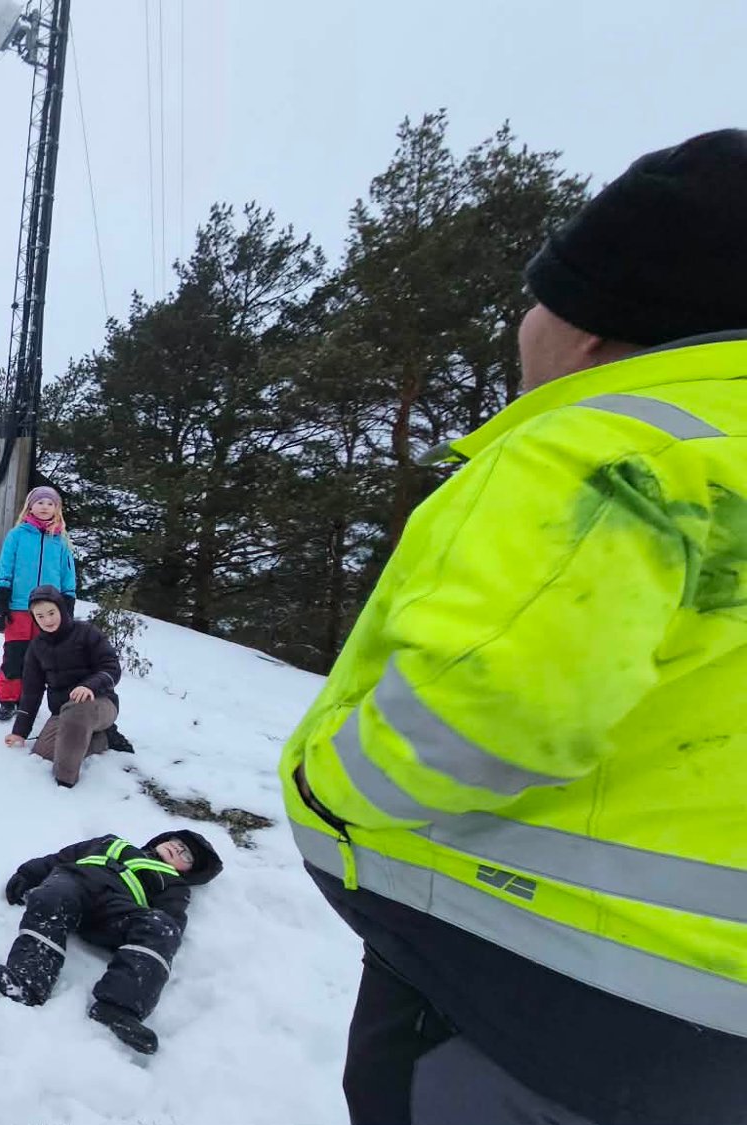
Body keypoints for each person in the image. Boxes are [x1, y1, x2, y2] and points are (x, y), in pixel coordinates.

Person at [282, 130, 747, 1125]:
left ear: (595, 329)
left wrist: (331, 792)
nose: (521, 321)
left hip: (527, 983)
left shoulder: (606, 450)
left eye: (538, 296)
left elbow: (497, 702)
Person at [0, 829, 222, 1055]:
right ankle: (29, 978)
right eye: (177, 843)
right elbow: (60, 857)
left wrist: (154, 934)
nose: (177, 849)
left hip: (115, 909)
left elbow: (171, 918)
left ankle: (119, 1008)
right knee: (51, 895)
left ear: (188, 872)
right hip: (73, 884)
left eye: (186, 856)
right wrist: (28, 874)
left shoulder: (173, 884)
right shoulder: (111, 842)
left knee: (163, 928)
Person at [3, 585, 123, 787]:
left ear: (61, 609)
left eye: (51, 613)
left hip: (100, 703)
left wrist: (89, 686)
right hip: (62, 712)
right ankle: (102, 739)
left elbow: (112, 668)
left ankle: (65, 781)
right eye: (40, 616)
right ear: (34, 618)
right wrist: (19, 732)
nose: (47, 620)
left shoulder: (86, 632)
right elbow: (32, 692)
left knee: (77, 715)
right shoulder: (36, 648)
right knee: (44, 753)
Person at [0, 486, 77, 723]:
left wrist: (67, 606)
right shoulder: (17, 535)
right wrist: (1, 603)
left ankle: (28, 701)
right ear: (30, 507)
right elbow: (5, 568)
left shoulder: (61, 541)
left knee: (41, 658)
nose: (44, 507)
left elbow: (67, 576)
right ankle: (8, 700)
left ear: (56, 509)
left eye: (50, 503)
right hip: (19, 607)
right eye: (40, 502)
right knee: (15, 655)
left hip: (49, 611)